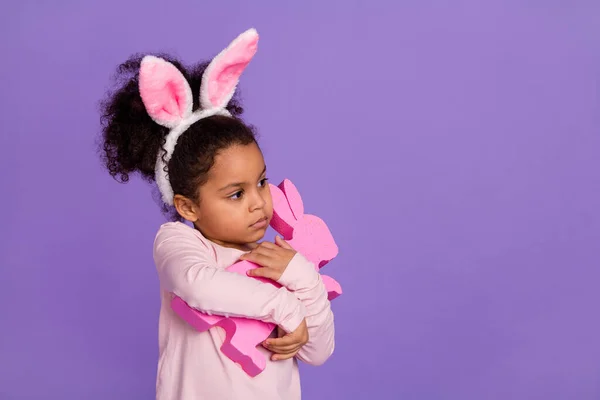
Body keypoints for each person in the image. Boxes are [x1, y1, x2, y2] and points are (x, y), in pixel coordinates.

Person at [98, 28, 335, 399]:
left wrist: (303, 278)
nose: (259, 202)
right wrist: (286, 306)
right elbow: (196, 284)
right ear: (188, 206)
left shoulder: (280, 261)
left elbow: (317, 352)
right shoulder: (180, 242)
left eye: (261, 182)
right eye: (236, 193)